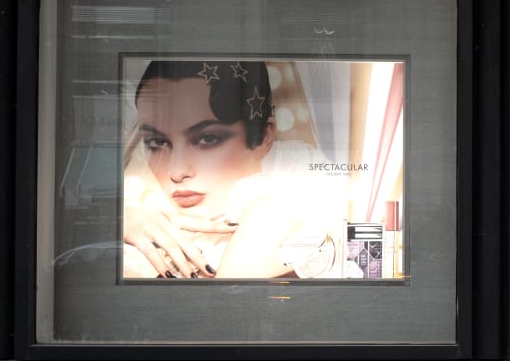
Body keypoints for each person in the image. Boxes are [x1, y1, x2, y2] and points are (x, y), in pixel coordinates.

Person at [123, 59, 344, 279]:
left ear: (263, 137)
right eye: (156, 142)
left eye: (208, 139)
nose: (176, 171)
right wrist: (119, 221)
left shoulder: (299, 185)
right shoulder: (137, 193)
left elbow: (222, 308)